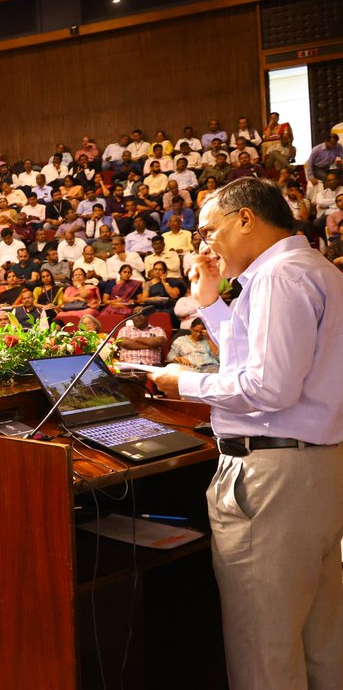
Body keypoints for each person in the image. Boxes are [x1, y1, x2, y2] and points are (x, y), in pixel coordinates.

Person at [154, 177, 343, 690]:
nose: (204, 244)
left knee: (265, 650)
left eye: (209, 229)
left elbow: (270, 386)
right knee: (319, 641)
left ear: (245, 220)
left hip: (272, 477)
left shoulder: (278, 277)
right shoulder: (307, 268)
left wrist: (182, 382)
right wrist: (210, 303)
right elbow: (258, 357)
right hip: (315, 470)